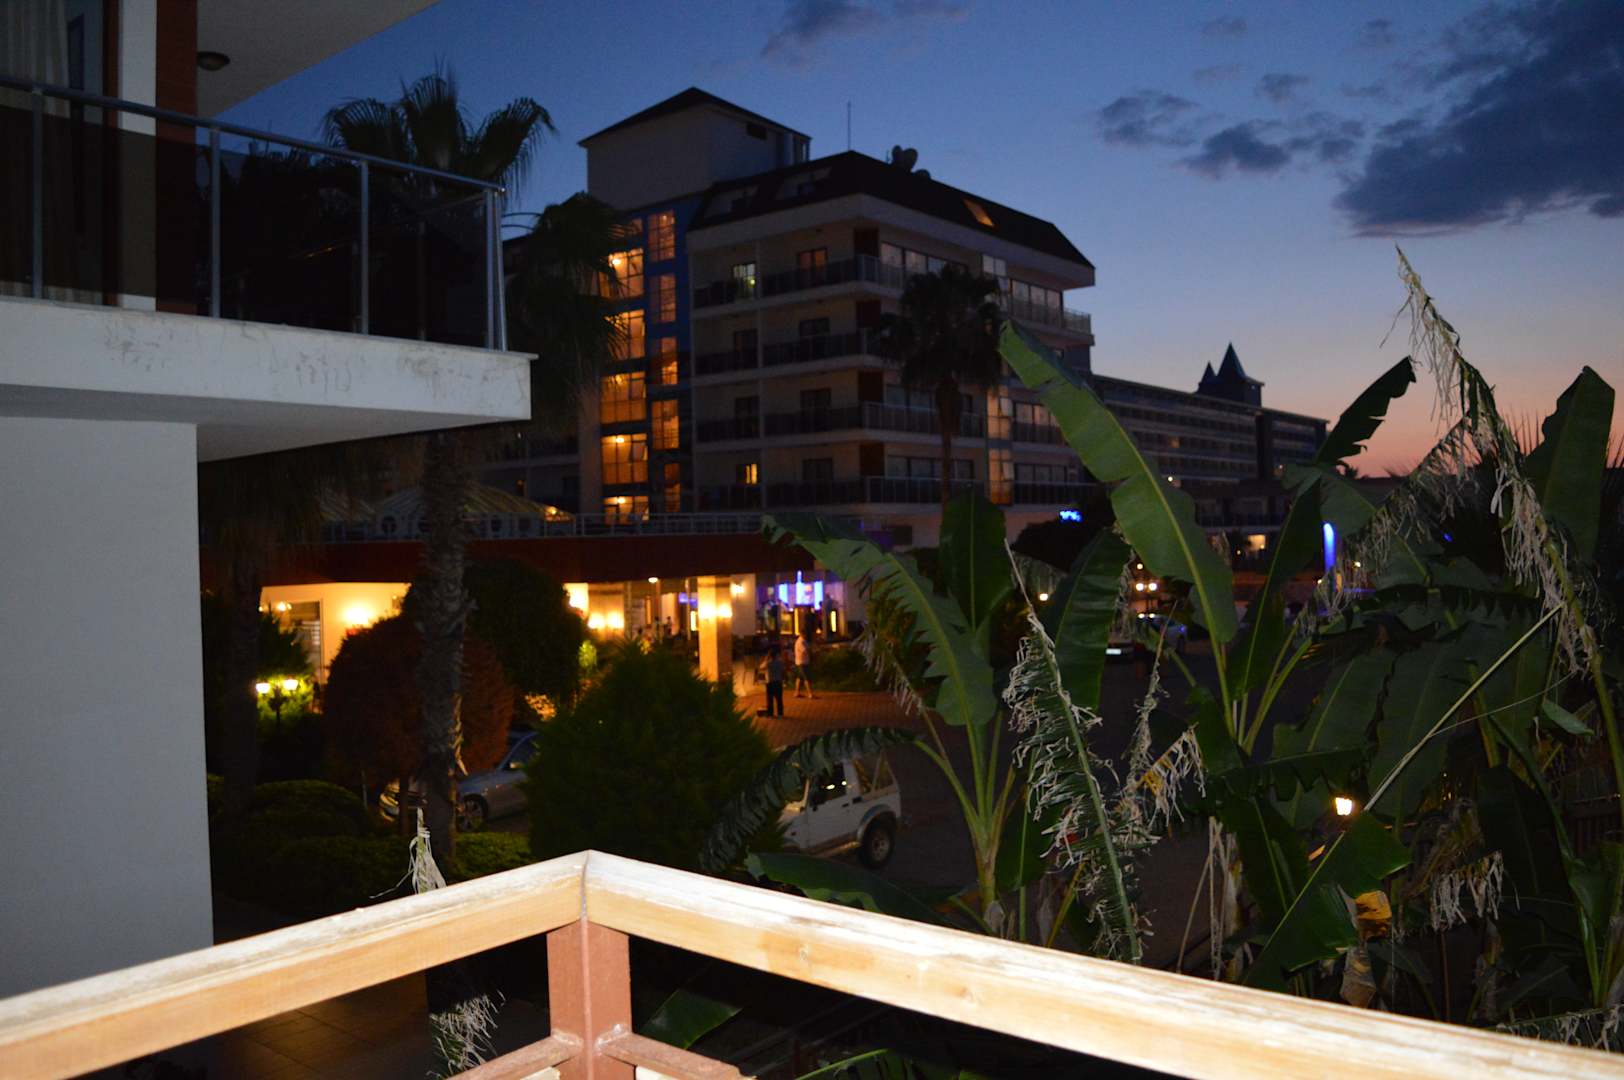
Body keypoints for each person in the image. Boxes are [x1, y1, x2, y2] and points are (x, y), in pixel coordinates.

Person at [759, 645, 786, 717]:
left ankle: (770, 713)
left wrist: (765, 659)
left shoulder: (768, 663)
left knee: (770, 699)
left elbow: (760, 667)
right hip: (778, 682)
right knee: (779, 699)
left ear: (769, 656)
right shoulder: (780, 662)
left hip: (770, 683)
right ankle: (780, 714)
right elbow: (783, 671)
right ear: (776, 655)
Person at [793, 631, 816, 699]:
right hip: (802, 662)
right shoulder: (801, 641)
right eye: (804, 633)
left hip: (802, 662)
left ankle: (797, 692)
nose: (805, 635)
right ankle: (810, 694)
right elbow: (806, 650)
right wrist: (813, 654)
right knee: (807, 678)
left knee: (799, 678)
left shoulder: (803, 641)